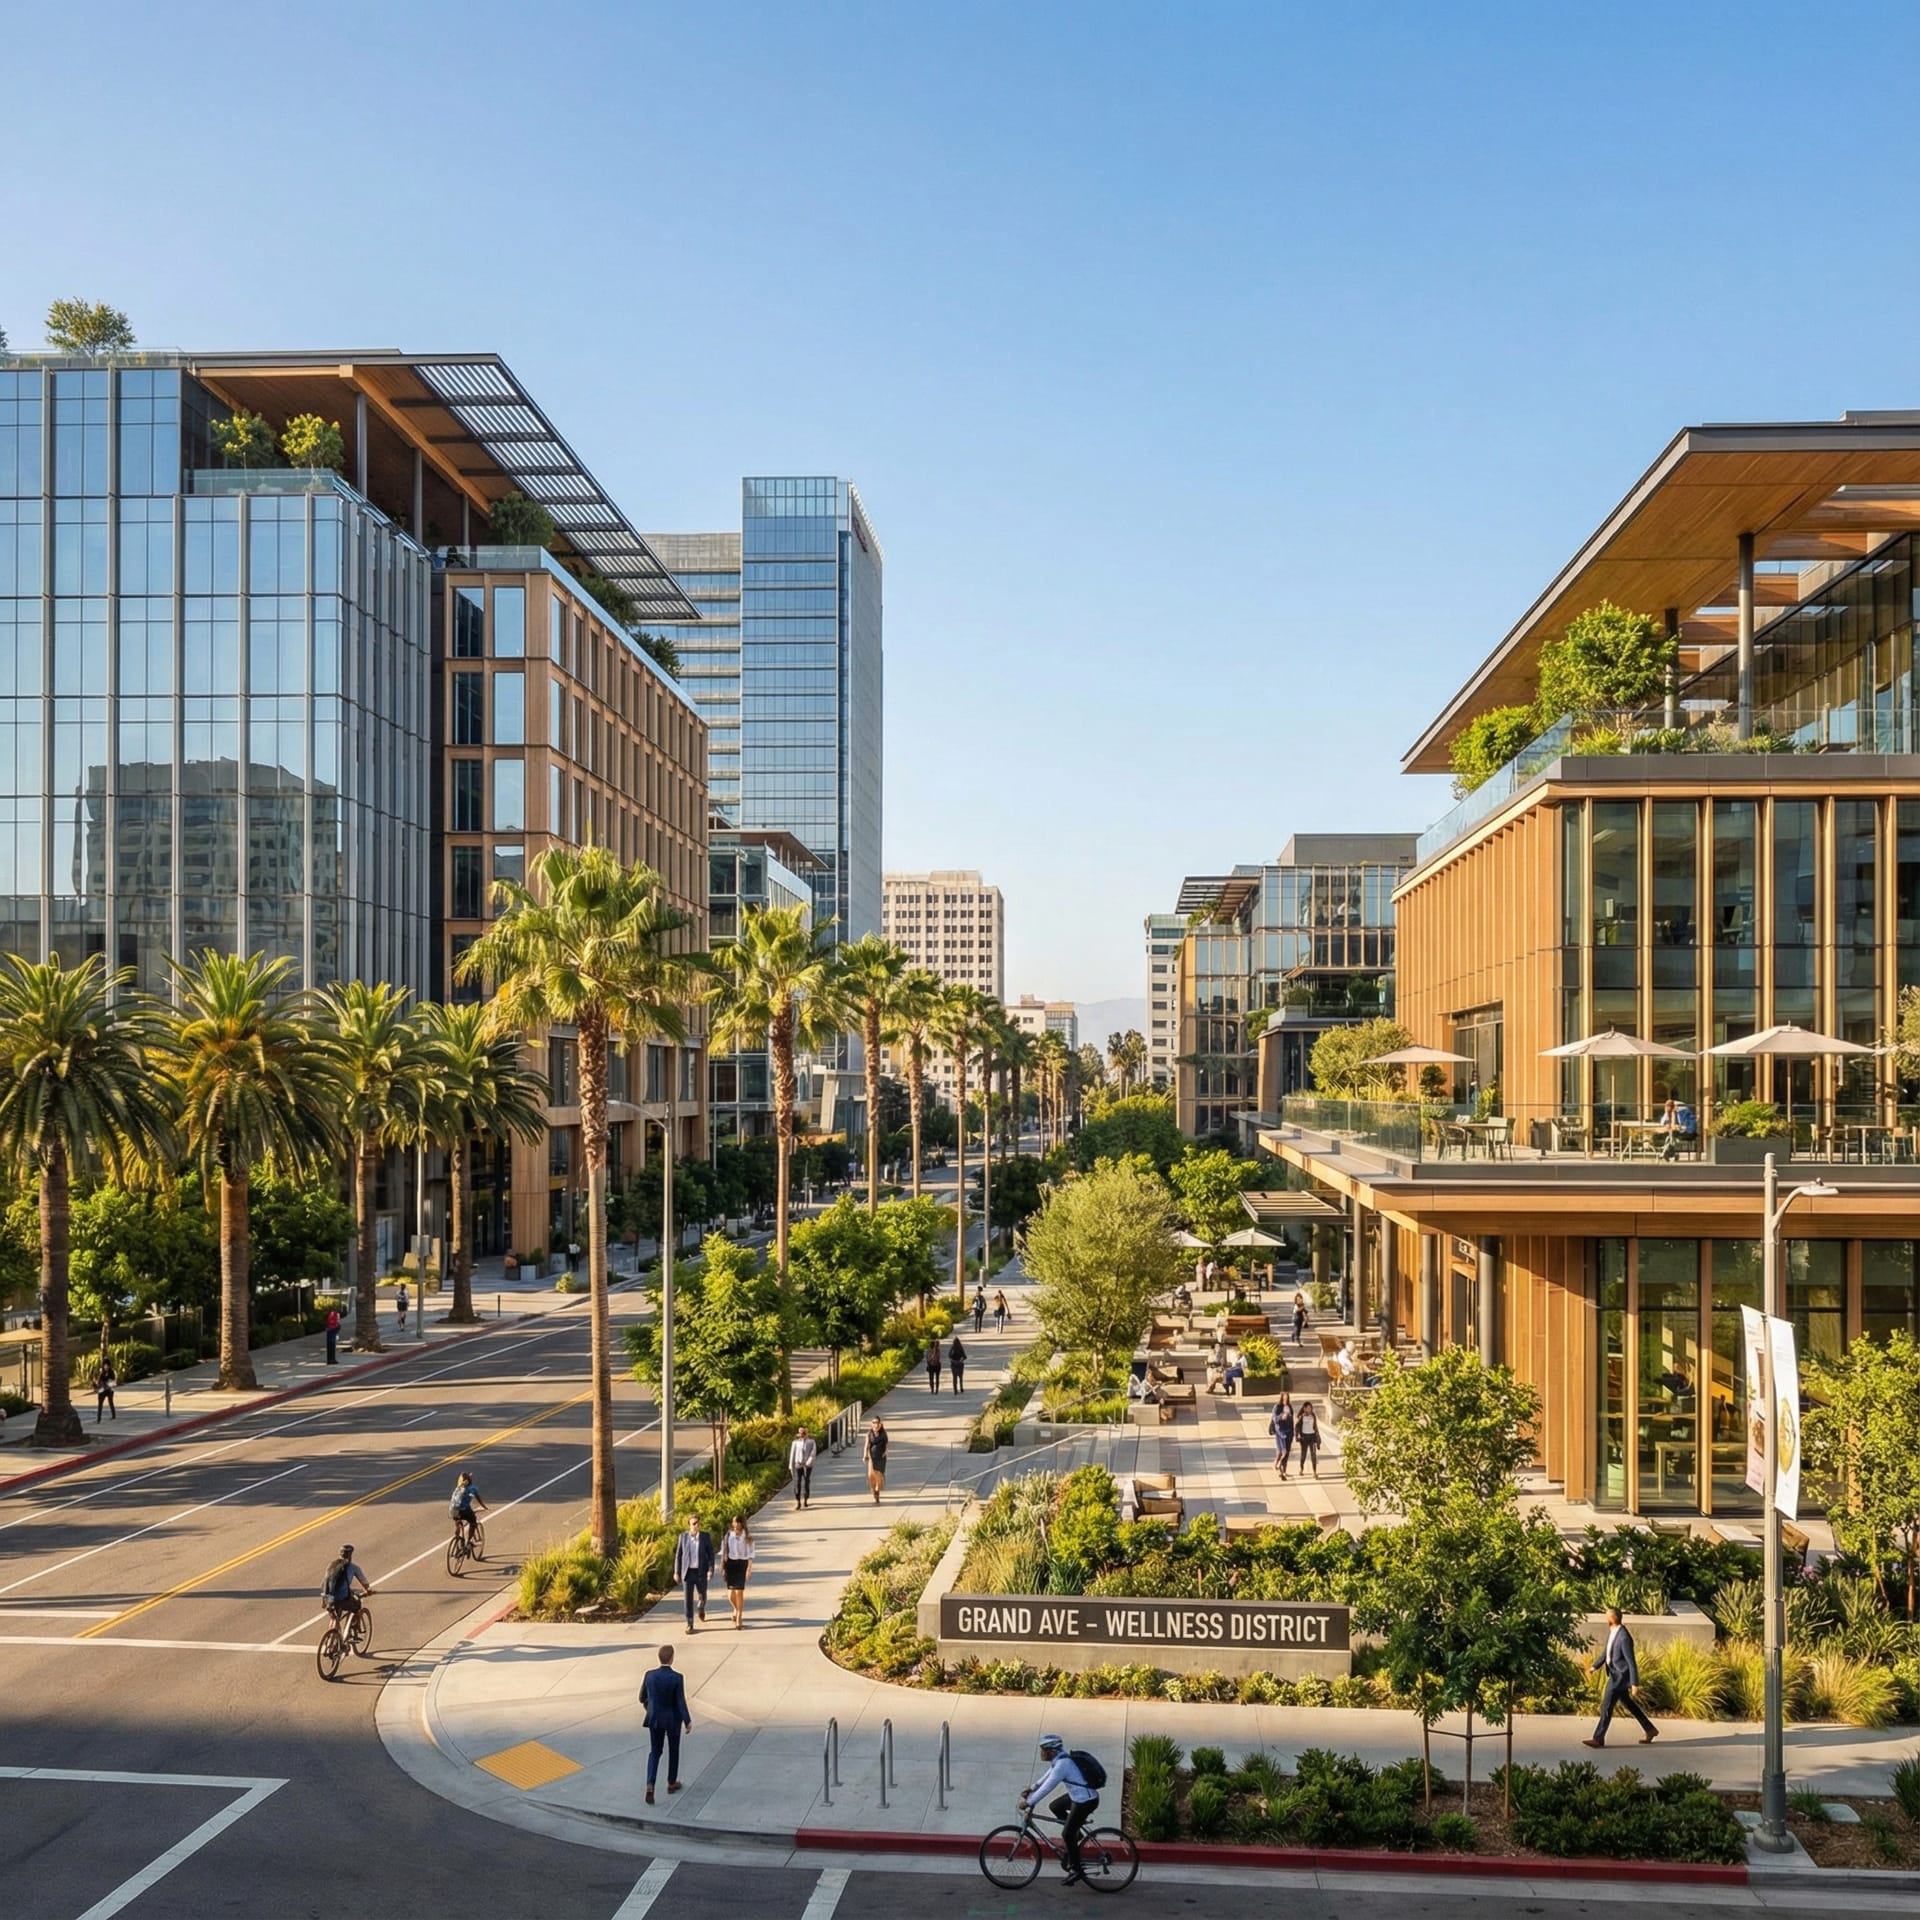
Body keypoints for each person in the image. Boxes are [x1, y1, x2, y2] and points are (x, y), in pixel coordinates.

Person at [1022, 1734, 1100, 1885]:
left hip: (1086, 1801)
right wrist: (1032, 1788)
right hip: (1078, 1797)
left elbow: (1048, 1787)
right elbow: (1048, 1775)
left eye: (1043, 1750)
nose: (1041, 1753)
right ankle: (1077, 1835)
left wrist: (1029, 1802)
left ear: (1051, 1751)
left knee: (1067, 1834)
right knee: (1055, 1807)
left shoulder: (1063, 1765)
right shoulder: (1060, 1759)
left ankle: (1076, 1870)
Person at [1583, 1605, 1659, 1749]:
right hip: (1613, 1673)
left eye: (1607, 1616)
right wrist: (1594, 1667)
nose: (1605, 1618)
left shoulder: (1624, 1637)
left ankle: (1598, 1738)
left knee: (1606, 1705)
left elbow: (1631, 1662)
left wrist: (1634, 1683)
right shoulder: (1613, 1632)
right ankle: (1650, 1729)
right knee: (1629, 1704)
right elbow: (1606, 1653)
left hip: (1620, 1676)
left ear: (1612, 1618)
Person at [639, 1644, 691, 1804]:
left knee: (655, 1751)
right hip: (672, 1719)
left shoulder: (649, 1675)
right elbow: (680, 1701)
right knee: (674, 1750)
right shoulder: (677, 1678)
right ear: (672, 1658)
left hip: (654, 1718)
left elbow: (641, 1697)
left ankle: (650, 1784)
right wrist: (687, 1720)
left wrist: (649, 1708)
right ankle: (671, 1783)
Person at [674, 1512, 714, 1629]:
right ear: (689, 1525)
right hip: (688, 1573)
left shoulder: (705, 1537)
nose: (696, 1525)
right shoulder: (683, 1537)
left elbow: (711, 1554)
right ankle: (689, 1623)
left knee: (702, 1595)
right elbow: (678, 1555)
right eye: (694, 1523)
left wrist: (710, 1569)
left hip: (701, 1572)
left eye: (698, 1523)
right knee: (688, 1599)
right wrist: (676, 1572)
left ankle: (701, 1608)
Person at [321, 1544, 373, 1627]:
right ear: (350, 1555)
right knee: (357, 1604)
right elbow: (365, 1584)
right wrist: (368, 1591)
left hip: (327, 1597)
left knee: (334, 1618)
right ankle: (354, 1626)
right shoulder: (353, 1567)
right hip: (341, 1598)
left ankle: (332, 1632)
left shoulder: (331, 1565)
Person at [721, 1516, 753, 1627]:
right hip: (730, 1564)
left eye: (737, 1522)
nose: (735, 1524)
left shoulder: (747, 1536)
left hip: (742, 1564)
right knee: (730, 1594)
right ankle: (736, 1608)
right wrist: (723, 1567)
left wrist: (749, 1569)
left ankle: (739, 1616)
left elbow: (750, 1554)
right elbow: (724, 1552)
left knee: (739, 1591)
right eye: (734, 1522)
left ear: (742, 1524)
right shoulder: (728, 1535)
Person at [448, 1470, 488, 1548]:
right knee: (473, 1522)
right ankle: (469, 1542)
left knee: (458, 1521)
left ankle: (457, 1537)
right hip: (464, 1511)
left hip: (453, 1510)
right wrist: (485, 1507)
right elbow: (479, 1499)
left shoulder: (458, 1488)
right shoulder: (473, 1489)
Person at [787, 1424, 817, 1508]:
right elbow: (792, 1454)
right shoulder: (795, 1443)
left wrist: (809, 1461)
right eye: (801, 1433)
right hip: (798, 1464)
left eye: (804, 1433)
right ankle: (798, 1501)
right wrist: (791, 1466)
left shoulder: (811, 1442)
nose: (802, 1435)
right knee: (797, 1482)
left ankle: (805, 1499)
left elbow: (813, 1452)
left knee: (806, 1482)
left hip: (807, 1465)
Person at [863, 1416, 889, 1503]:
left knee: (878, 1474)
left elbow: (886, 1444)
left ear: (880, 1424)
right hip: (872, 1458)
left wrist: (886, 1451)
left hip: (881, 1457)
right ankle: (873, 1489)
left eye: (877, 1422)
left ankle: (878, 1490)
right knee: (870, 1475)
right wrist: (865, 1455)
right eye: (873, 1423)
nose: (875, 1424)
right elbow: (866, 1445)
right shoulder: (869, 1434)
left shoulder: (883, 1434)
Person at [1268, 1394, 1294, 1478]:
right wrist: (1281, 1416)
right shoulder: (1277, 1407)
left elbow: (1292, 1420)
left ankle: (1283, 1469)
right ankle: (1281, 1469)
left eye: (1287, 1399)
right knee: (1283, 1452)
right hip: (1281, 1433)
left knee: (1285, 1453)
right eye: (1284, 1399)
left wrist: (1293, 1432)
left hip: (1289, 1433)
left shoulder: (1290, 1407)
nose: (1285, 1401)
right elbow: (1275, 1419)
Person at [1295, 1400, 1322, 1478]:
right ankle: (1301, 1469)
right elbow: (1297, 1427)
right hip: (1304, 1437)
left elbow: (1315, 1426)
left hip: (1312, 1437)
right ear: (1304, 1409)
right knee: (1303, 1454)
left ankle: (1314, 1472)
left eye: (1310, 1408)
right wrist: (1298, 1435)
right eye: (1308, 1408)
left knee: (1313, 1454)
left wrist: (1317, 1436)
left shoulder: (1313, 1415)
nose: (1310, 1409)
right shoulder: (1301, 1417)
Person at [94, 1355, 116, 1423]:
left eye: (107, 1366)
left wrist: (109, 1383)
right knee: (100, 1404)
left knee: (110, 1402)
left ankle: (113, 1415)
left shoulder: (111, 1372)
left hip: (109, 1390)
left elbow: (113, 1381)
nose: (106, 1367)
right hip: (103, 1390)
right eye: (105, 1366)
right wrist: (97, 1385)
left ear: (109, 1366)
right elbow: (98, 1382)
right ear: (103, 1366)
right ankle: (98, 1418)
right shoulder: (101, 1373)